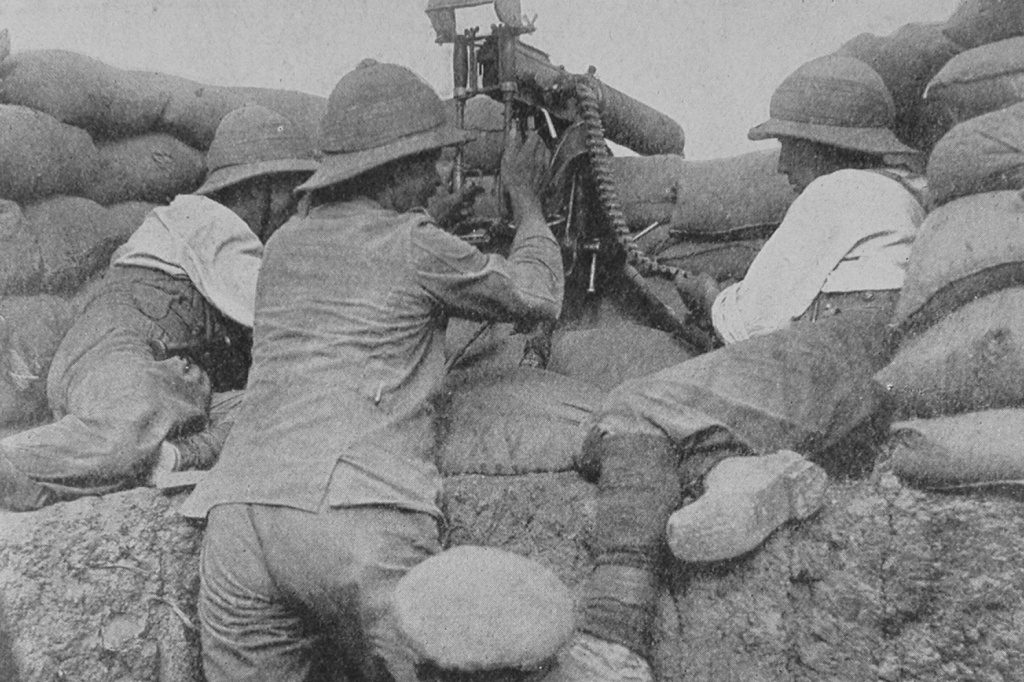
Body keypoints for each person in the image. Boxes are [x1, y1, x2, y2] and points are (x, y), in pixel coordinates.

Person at [180, 59, 563, 682]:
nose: (442, 172)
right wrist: (528, 208)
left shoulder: (282, 245)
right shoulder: (418, 244)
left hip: (241, 519)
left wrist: (434, 226)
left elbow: (360, 269)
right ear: (396, 168)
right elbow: (538, 295)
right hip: (357, 514)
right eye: (432, 160)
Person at [551, 55, 927, 681]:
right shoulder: (898, 197)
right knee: (689, 432)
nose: (781, 164)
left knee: (631, 408)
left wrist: (704, 295)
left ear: (821, 147)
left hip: (828, 354)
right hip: (868, 369)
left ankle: (610, 635)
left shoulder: (836, 190)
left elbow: (747, 323)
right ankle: (761, 474)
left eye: (788, 146)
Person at [0, 105, 318, 511]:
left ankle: (175, 457)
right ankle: (15, 460)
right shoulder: (210, 221)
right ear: (253, 188)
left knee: (276, 406)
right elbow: (277, 312)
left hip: (155, 370)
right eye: (287, 194)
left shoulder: (199, 224)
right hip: (113, 355)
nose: (291, 210)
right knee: (129, 426)